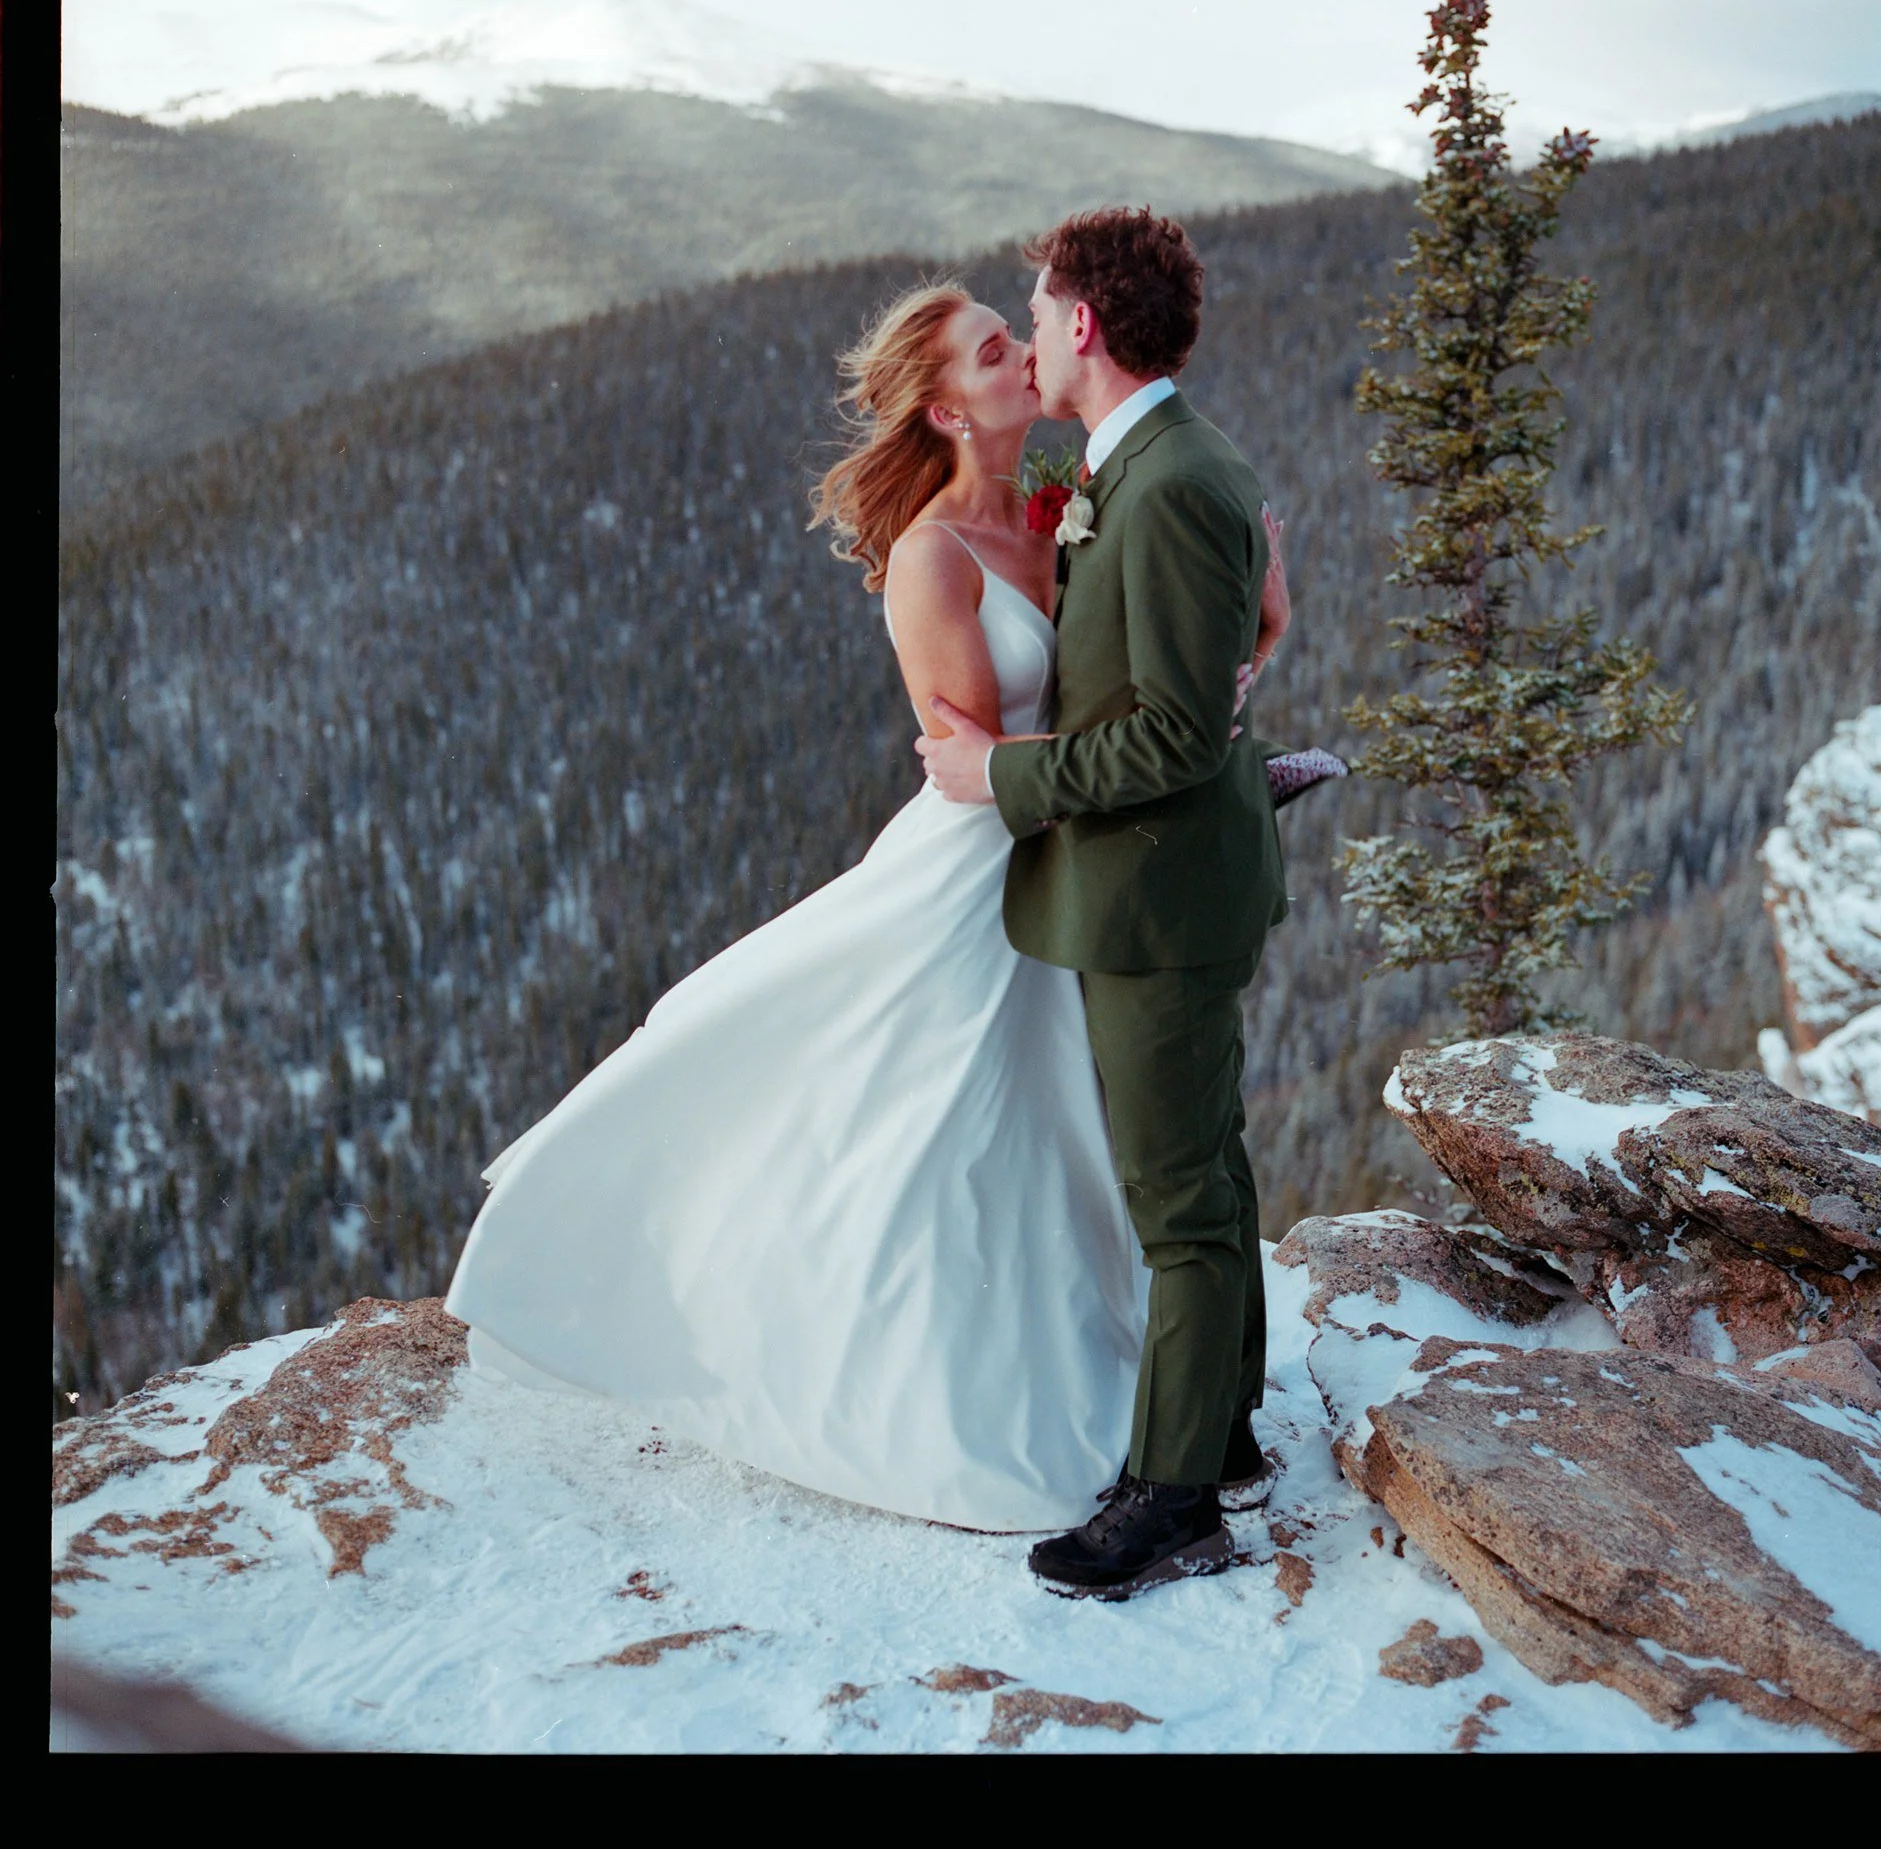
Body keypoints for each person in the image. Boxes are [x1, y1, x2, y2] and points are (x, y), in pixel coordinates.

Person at [444, 260, 1335, 1545]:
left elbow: (1144, 666)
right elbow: (971, 751)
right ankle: (919, 1382)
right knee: (943, 1129)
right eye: (987, 353)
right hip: (983, 862)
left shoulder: (1062, 494)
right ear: (943, 412)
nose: (1017, 357)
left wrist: (1242, 644)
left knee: (1065, 1140)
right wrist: (1179, 747)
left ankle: (1168, 1411)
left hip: (1073, 850)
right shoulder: (932, 557)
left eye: (1011, 333)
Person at [918, 207, 1294, 1599]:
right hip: (1154, 890)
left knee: (1180, 1200)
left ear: (1081, 325)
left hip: (1160, 899)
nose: (1029, 319)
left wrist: (999, 773)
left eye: (1036, 301)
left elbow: (1178, 740)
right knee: (1209, 1157)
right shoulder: (1129, 467)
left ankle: (1174, 1498)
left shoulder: (1178, 478)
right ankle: (1229, 1423)